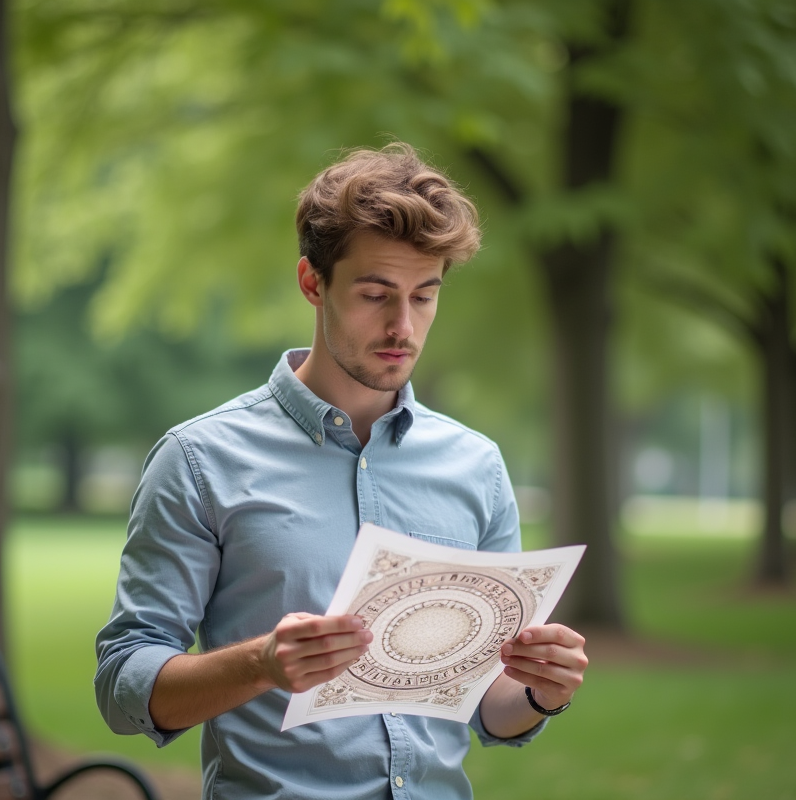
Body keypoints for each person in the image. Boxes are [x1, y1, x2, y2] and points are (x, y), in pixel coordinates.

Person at [95, 143, 588, 800]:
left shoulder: (477, 466)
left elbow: (486, 706)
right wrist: (260, 664)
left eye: (424, 296)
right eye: (375, 294)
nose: (402, 326)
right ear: (312, 282)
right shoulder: (200, 460)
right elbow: (123, 685)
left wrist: (539, 691)